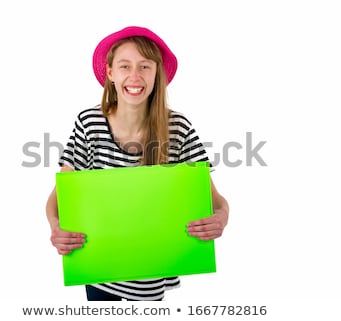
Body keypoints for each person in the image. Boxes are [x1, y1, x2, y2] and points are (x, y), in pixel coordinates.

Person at [46, 26, 229, 301]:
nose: (135, 76)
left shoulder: (177, 128)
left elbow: (217, 203)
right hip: (99, 272)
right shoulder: (89, 123)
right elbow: (58, 199)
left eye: (145, 66)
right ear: (110, 73)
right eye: (125, 66)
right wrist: (55, 227)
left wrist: (221, 219)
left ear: (157, 74)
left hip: (151, 277)